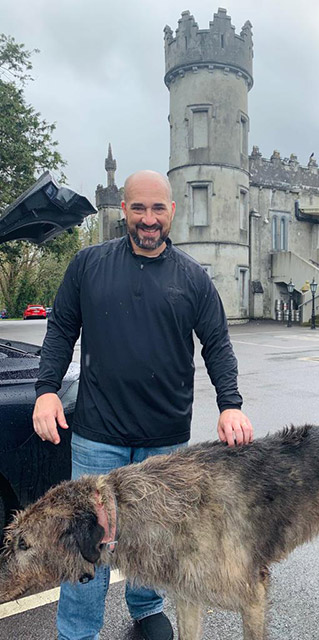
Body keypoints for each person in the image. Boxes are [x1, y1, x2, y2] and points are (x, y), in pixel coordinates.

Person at [32, 170, 253, 640]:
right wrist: (47, 389)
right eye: (138, 208)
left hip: (164, 444)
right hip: (97, 437)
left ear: (171, 211)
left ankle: (147, 608)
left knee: (154, 539)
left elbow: (216, 344)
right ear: (125, 210)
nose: (148, 219)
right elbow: (60, 331)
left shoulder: (193, 278)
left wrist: (230, 404)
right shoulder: (88, 266)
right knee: (84, 543)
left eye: (157, 209)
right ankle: (77, 632)